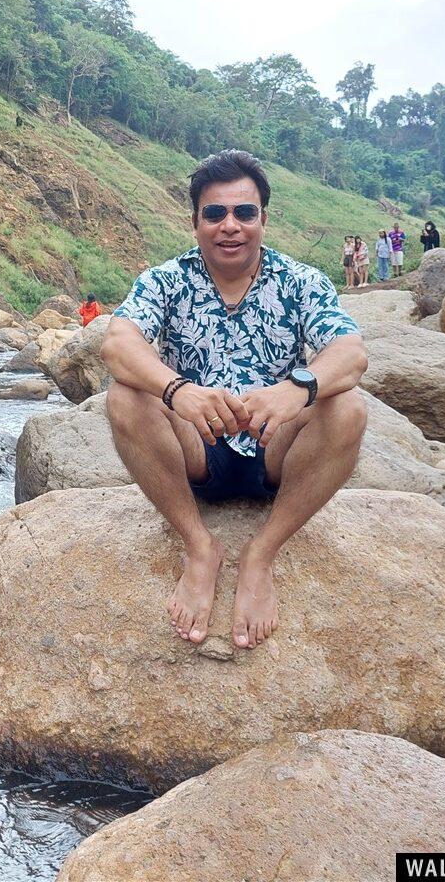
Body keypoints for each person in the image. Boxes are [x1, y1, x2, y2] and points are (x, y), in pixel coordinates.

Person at [101, 149, 367, 651]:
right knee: (124, 398)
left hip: (276, 449)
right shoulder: (166, 280)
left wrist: (298, 389)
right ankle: (200, 546)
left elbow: (350, 353)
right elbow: (118, 343)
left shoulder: (301, 281)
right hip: (195, 448)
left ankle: (260, 554)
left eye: (244, 213)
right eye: (215, 213)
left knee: (348, 405)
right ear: (195, 221)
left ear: (263, 218)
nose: (231, 226)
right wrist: (177, 390)